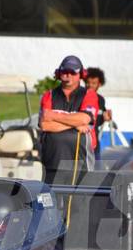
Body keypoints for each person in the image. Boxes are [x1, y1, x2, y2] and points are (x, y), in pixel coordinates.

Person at [38, 55, 99, 185]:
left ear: (81, 75)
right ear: (59, 73)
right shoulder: (49, 95)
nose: (68, 75)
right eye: (65, 71)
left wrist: (53, 116)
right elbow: (44, 124)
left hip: (81, 162)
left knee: (79, 198)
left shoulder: (89, 95)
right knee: (51, 197)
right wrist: (75, 124)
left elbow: (84, 118)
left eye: (73, 72)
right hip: (52, 161)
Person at [84, 67, 112, 161]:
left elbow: (97, 121)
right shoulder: (79, 97)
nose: (90, 85)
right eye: (88, 82)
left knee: (96, 167)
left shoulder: (100, 100)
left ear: (99, 84)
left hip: (94, 141)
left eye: (93, 83)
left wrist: (105, 118)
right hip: (80, 140)